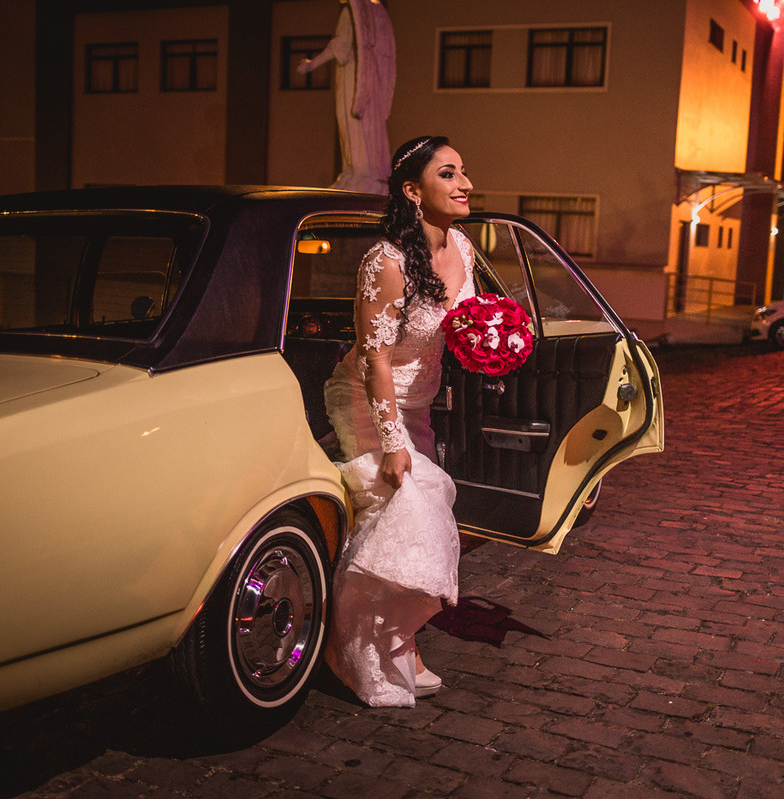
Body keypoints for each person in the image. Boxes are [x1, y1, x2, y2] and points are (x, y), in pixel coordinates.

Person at [323, 136, 475, 706]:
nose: (465, 184)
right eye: (448, 173)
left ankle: (398, 638)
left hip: (421, 404)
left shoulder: (462, 246)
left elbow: (467, 321)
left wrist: (494, 339)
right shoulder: (385, 262)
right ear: (413, 191)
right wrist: (392, 442)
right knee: (403, 511)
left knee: (418, 521)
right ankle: (364, 650)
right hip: (369, 401)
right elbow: (374, 360)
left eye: (463, 172)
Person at [297, 0, 395, 194]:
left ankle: (359, 173)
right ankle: (364, 172)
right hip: (371, 82)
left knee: (352, 125)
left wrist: (311, 64)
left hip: (354, 78)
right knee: (367, 127)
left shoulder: (353, 11)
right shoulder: (378, 12)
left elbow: (340, 47)